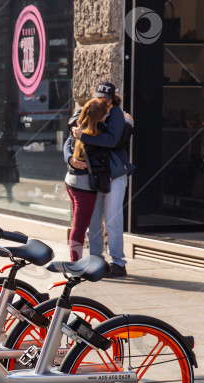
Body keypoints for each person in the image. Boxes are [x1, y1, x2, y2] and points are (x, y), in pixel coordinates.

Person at [71, 81, 135, 278]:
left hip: (114, 174)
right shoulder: (87, 109)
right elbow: (70, 138)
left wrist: (84, 136)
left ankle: (118, 263)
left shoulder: (116, 113)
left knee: (114, 220)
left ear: (113, 99)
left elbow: (112, 141)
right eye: (100, 97)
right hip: (93, 176)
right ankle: (96, 260)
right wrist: (70, 158)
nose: (104, 102)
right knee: (94, 221)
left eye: (107, 99)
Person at [62, 98, 110, 261]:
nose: (107, 116)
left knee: (78, 225)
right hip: (83, 187)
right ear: (97, 118)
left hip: (72, 182)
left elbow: (68, 142)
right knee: (80, 227)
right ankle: (75, 263)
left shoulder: (79, 128)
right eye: (104, 114)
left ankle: (80, 260)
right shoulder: (93, 136)